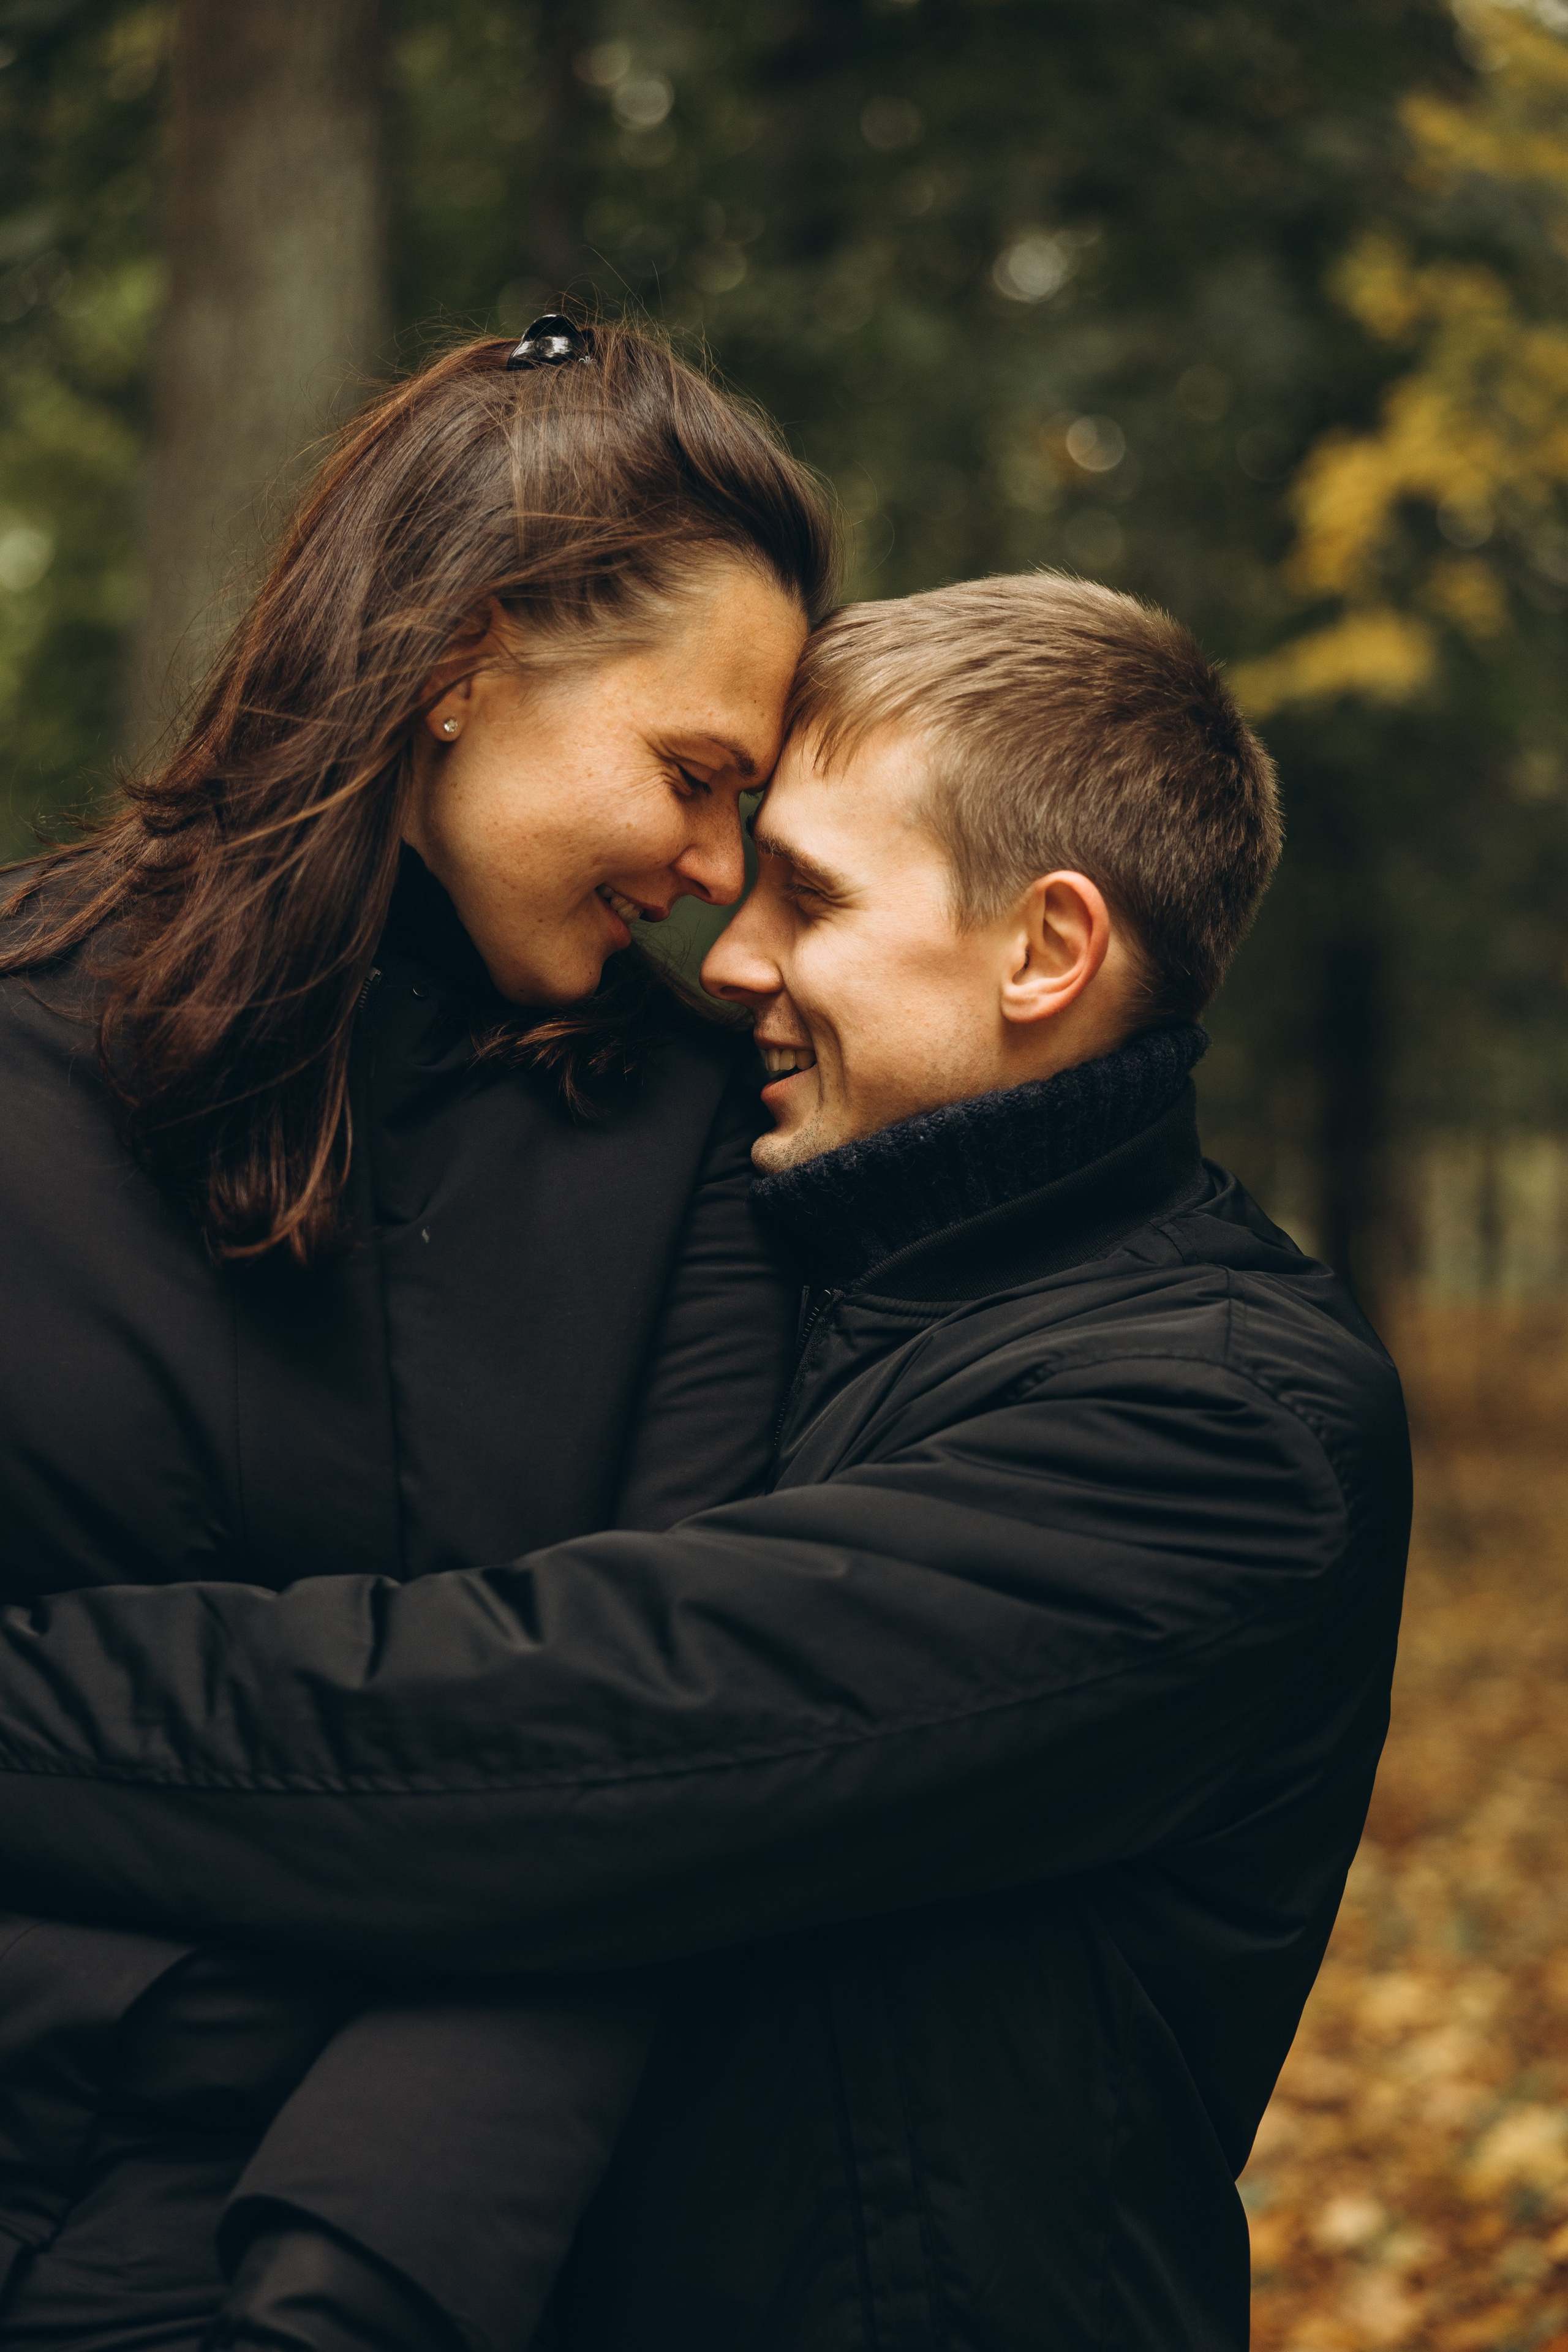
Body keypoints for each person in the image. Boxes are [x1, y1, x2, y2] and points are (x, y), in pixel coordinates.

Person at [0, 575, 1412, 2351]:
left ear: (1047, 951)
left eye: (809, 896)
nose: (731, 956)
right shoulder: (789, 1281)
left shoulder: (1225, 1429)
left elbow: (544, 1740)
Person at [0, 318, 835, 2350]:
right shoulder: (17, 1053)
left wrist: (344, 2297)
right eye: (693, 777)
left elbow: (639, 1797)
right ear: (465, 657)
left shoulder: (701, 1163)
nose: (716, 885)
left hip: (398, 2266)